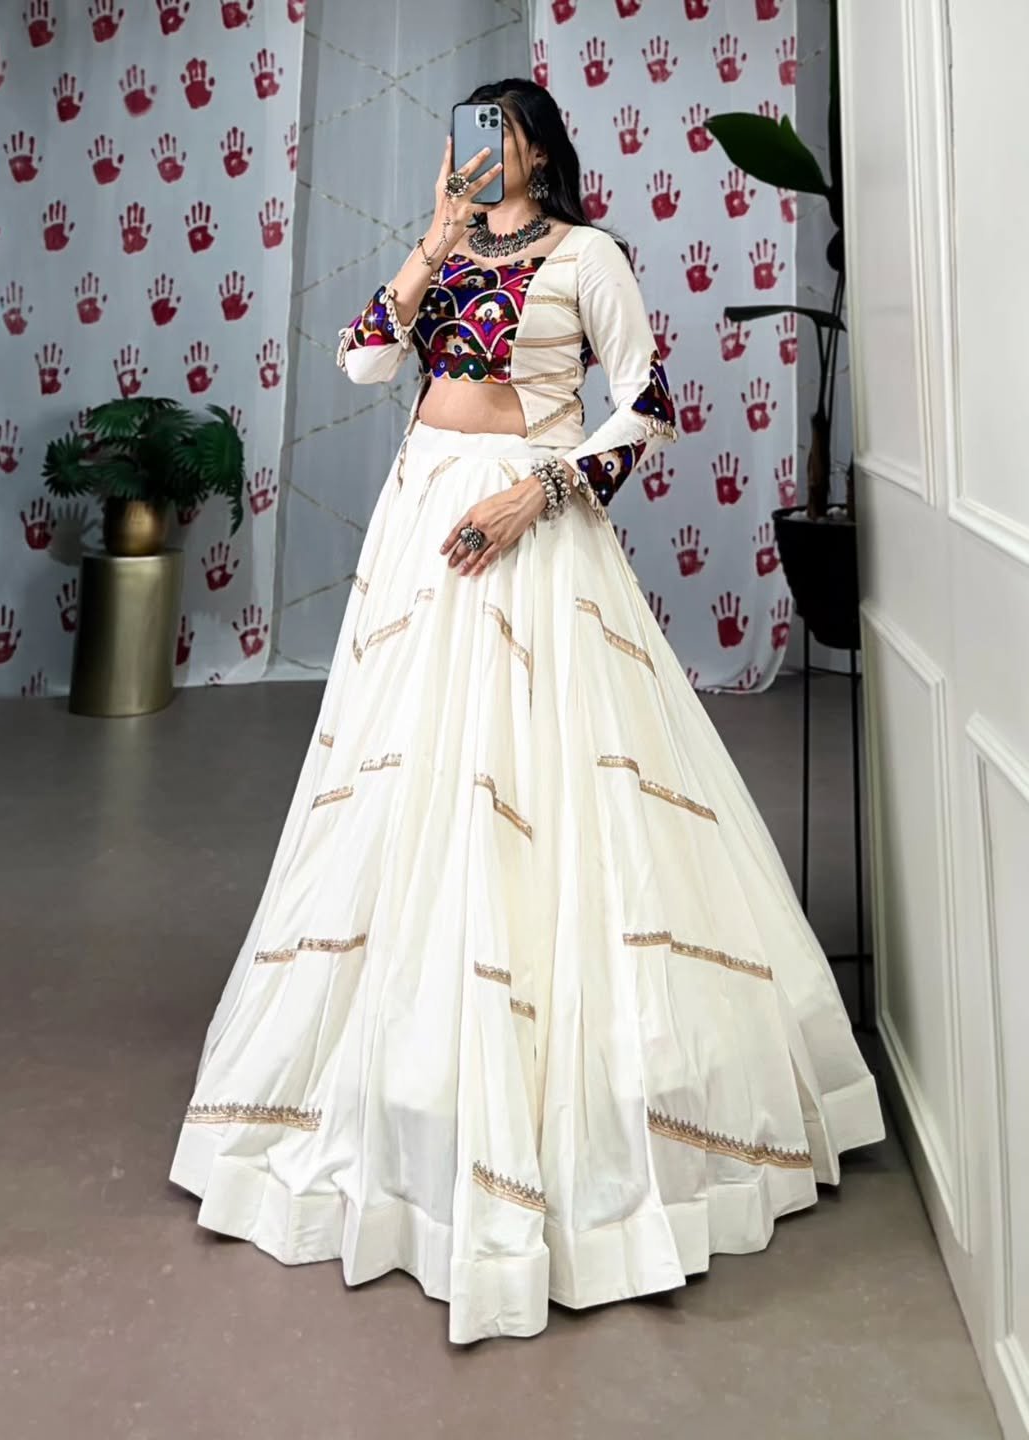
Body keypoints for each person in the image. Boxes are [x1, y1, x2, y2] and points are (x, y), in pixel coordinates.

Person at [169, 78, 884, 1344]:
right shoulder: (448, 253)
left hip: (527, 527)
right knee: (407, 782)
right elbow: (363, 358)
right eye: (466, 132)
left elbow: (651, 406)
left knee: (541, 784)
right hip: (421, 520)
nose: (477, 151)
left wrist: (538, 492)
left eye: (496, 132)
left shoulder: (590, 256)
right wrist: (428, 245)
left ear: (540, 150)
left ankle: (571, 1102)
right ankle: (413, 1067)